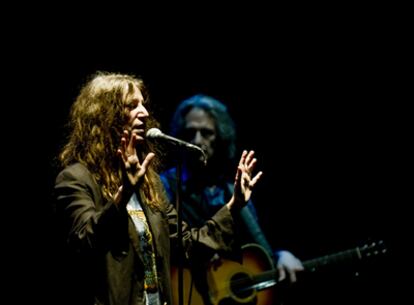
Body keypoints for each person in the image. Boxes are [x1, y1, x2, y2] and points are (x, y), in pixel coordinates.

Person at [53, 72, 263, 305]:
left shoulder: (148, 184)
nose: (144, 113)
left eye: (144, 104)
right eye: (132, 106)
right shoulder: (76, 179)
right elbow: (85, 242)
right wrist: (123, 196)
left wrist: (234, 205)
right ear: (105, 116)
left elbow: (188, 245)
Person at [160, 94, 304, 303]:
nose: (197, 140)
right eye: (190, 132)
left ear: (221, 137)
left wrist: (280, 256)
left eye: (206, 132)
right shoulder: (165, 186)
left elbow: (257, 244)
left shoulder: (232, 188)